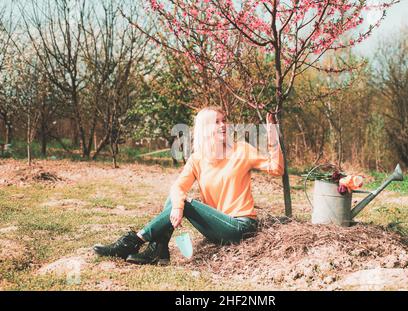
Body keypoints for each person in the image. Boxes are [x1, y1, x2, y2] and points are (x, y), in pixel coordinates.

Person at [93, 106, 284, 265]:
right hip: (216, 229)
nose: (223, 125)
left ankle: (135, 241)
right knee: (175, 198)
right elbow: (177, 188)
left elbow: (277, 168)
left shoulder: (242, 150)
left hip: (240, 227)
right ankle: (159, 249)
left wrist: (272, 131)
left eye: (224, 120)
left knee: (186, 202)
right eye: (216, 122)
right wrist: (177, 206)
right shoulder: (198, 159)